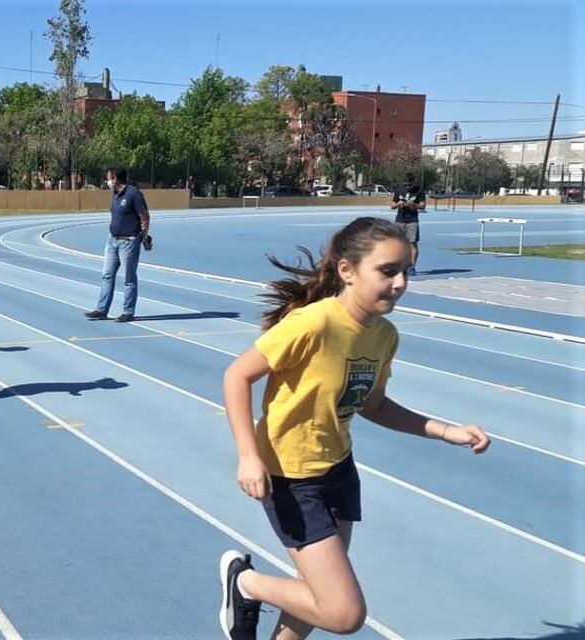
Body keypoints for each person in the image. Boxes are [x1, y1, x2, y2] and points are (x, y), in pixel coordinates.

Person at [217, 217, 490, 640]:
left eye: (406, 271)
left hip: (338, 470)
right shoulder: (313, 323)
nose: (400, 283)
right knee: (343, 613)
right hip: (291, 477)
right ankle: (245, 585)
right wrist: (248, 455)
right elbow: (237, 376)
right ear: (347, 270)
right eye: (387, 271)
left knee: (320, 597)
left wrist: (445, 430)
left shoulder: (384, 335)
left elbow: (373, 405)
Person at [84, 167, 150, 323]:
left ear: (116, 179)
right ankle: (102, 309)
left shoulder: (134, 194)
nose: (107, 182)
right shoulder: (115, 195)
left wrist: (144, 237)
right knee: (107, 275)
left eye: (109, 178)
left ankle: (128, 311)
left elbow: (145, 217)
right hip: (112, 240)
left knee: (129, 278)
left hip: (128, 242)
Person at [390, 172, 425, 276]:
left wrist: (413, 205)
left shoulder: (419, 190)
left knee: (413, 242)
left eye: (409, 185)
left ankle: (412, 266)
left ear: (413, 183)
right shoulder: (399, 189)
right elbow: (392, 205)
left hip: (412, 220)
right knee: (397, 243)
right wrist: (398, 204)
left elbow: (423, 206)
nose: (407, 187)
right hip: (400, 219)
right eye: (406, 184)